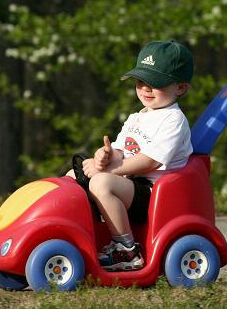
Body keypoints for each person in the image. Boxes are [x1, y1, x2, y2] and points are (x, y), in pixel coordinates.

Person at [66, 40, 194, 271]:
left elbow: (150, 160)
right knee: (72, 176)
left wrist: (108, 170)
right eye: (141, 81)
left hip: (155, 194)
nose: (145, 89)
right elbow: (119, 151)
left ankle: (126, 250)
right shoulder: (137, 117)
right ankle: (74, 232)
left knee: (101, 182)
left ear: (181, 88)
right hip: (130, 186)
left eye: (156, 83)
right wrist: (103, 156)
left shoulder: (174, 120)